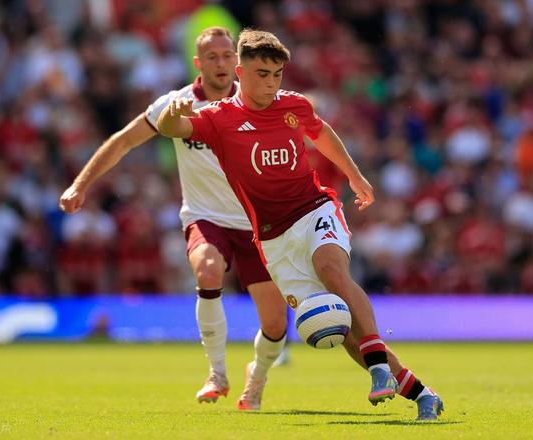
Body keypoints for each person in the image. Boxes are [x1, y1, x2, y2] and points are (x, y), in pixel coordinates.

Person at [157, 29, 444, 420]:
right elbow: (172, 129)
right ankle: (422, 393)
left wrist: (355, 176)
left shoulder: (293, 105)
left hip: (314, 210)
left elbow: (321, 133)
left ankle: (378, 366)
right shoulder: (219, 118)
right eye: (262, 74)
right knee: (338, 327)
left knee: (332, 270)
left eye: (277, 75)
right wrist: (173, 112)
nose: (271, 83)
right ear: (240, 72)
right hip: (274, 240)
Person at [59, 27, 288, 411]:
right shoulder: (176, 104)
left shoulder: (259, 102)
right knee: (208, 270)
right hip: (205, 216)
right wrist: (80, 185)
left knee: (276, 323)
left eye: (226, 55)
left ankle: (258, 375)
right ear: (198, 63)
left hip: (256, 223)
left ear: (237, 61)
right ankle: (217, 372)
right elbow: (124, 140)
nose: (220, 63)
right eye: (211, 57)